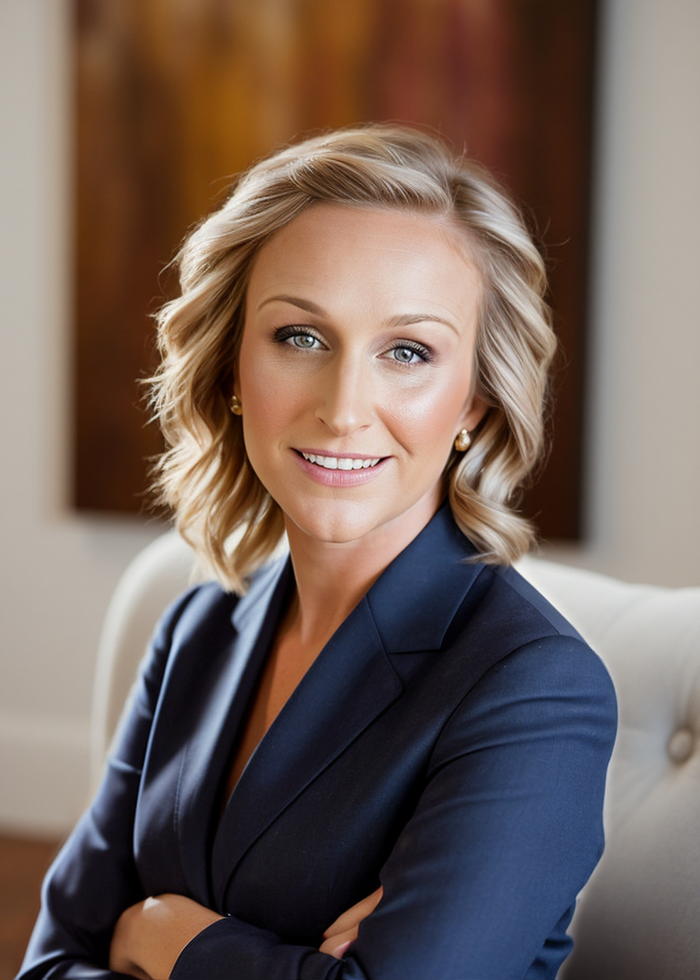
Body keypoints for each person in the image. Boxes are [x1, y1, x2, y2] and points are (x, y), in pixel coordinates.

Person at [20, 125, 616, 980]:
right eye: (300, 336)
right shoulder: (198, 628)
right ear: (232, 367)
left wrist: (160, 936)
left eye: (407, 352)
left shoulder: (535, 688)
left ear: (473, 404)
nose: (343, 408)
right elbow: (51, 963)